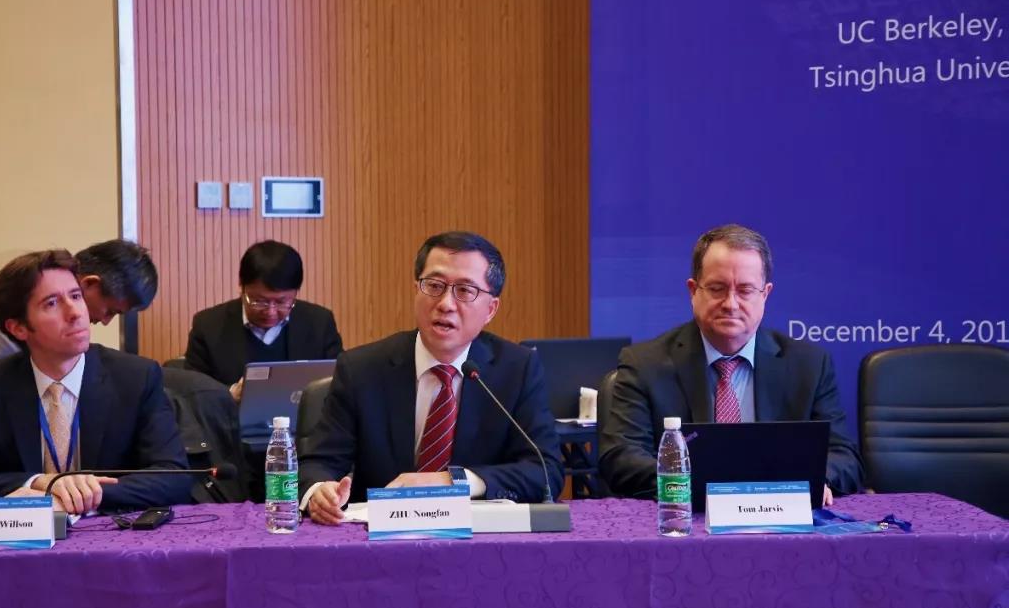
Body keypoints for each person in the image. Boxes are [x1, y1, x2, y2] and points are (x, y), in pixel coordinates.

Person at [301, 231, 564, 525]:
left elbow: (545, 471)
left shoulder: (517, 369)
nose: (446, 303)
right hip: (379, 537)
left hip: (480, 538)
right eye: (434, 286)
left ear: (490, 309)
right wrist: (319, 492)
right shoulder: (361, 369)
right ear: (416, 290)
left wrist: (454, 481)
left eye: (464, 290)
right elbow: (318, 463)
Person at [598, 224, 863, 505]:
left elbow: (844, 457)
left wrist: (815, 479)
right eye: (717, 289)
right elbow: (621, 457)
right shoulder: (645, 364)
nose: (731, 304)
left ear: (765, 294)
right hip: (683, 517)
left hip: (778, 517)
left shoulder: (809, 365)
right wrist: (704, 484)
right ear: (693, 291)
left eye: (745, 290)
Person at [0, 250, 192, 514]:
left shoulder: (136, 377)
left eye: (76, 296)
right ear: (18, 328)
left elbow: (175, 478)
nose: (75, 312)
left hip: (111, 530)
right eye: (51, 303)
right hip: (28, 534)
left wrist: (83, 493)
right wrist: (39, 483)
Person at [0, 240, 158, 464]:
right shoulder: (13, 292)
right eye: (111, 311)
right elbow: (0, 395)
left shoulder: (32, 278)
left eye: (75, 296)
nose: (105, 322)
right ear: (89, 283)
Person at [184, 240, 343, 401]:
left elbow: (339, 386)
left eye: (281, 302)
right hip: (232, 417)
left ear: (296, 292)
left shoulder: (319, 323)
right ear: (242, 286)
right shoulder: (208, 327)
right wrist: (230, 395)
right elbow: (190, 394)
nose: (270, 312)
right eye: (260, 301)